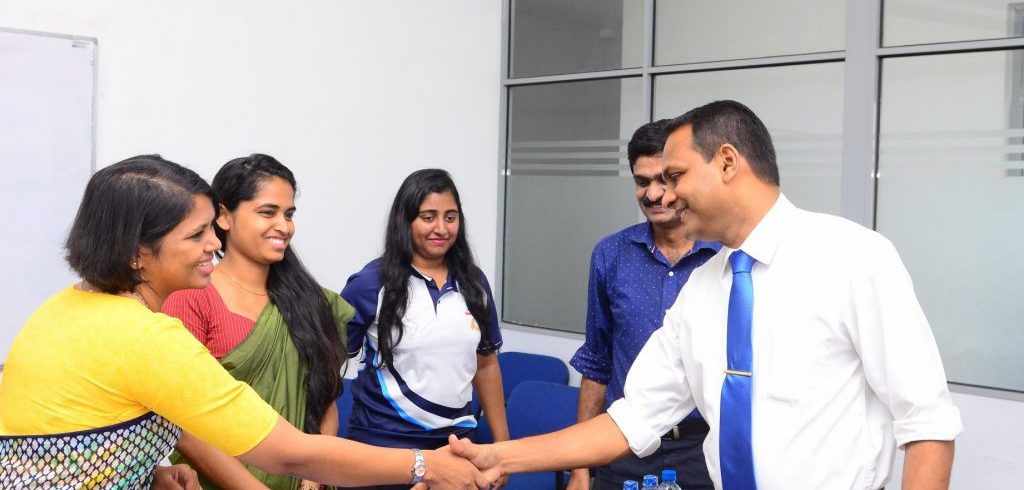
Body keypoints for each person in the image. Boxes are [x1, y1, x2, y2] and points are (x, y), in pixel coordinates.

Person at [448, 100, 964, 490]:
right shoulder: (701, 290)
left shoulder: (851, 257)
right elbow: (631, 421)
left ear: (727, 162)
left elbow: (927, 422)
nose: (665, 196)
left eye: (676, 176)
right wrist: (501, 456)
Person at [0, 155, 490, 490]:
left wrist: (150, 469)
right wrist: (426, 465)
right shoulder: (144, 337)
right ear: (137, 252)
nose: (213, 244)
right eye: (196, 235)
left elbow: (86, 423)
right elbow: (287, 453)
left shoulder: (63, 308)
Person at [162, 154, 351, 490]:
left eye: (289, 214)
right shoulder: (190, 299)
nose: (284, 226)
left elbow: (325, 399)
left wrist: (312, 480)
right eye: (267, 212)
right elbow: (185, 425)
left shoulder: (312, 302)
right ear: (224, 216)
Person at [567, 120, 716, 490]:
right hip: (623, 447)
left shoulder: (723, 258)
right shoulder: (611, 255)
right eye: (642, 181)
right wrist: (580, 467)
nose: (653, 194)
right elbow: (597, 362)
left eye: (664, 180)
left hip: (703, 450)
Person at [341, 168, 508, 490]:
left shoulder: (474, 282)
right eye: (428, 217)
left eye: (450, 217)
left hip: (457, 446)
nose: (441, 228)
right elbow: (326, 365)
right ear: (405, 221)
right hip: (384, 447)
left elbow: (486, 365)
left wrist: (502, 450)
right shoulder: (370, 284)